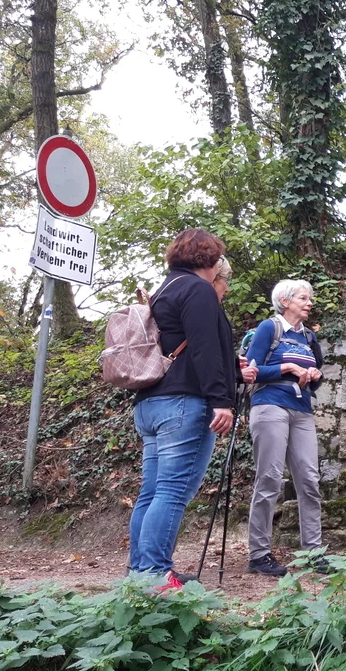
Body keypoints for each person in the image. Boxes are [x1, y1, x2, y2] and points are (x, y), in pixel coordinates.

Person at [130, 230, 251, 592]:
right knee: (172, 492)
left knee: (152, 492)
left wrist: (231, 368)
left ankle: (139, 573)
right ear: (210, 260)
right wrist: (222, 400)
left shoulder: (165, 289)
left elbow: (186, 344)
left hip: (151, 402)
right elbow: (203, 349)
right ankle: (154, 575)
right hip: (184, 404)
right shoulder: (198, 290)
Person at [243, 279, 326, 577]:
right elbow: (250, 372)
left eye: (309, 298)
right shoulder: (270, 328)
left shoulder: (309, 337)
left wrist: (313, 373)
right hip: (270, 406)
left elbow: (316, 376)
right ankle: (259, 555)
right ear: (286, 301)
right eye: (303, 298)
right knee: (269, 480)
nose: (309, 303)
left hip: (302, 410)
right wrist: (288, 368)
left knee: (309, 480)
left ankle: (314, 553)